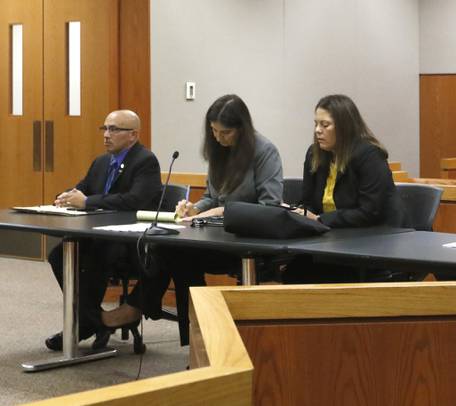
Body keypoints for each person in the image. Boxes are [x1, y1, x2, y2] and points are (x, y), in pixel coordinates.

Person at [101, 94, 283, 344]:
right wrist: (194, 208)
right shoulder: (218, 150)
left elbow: (270, 206)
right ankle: (195, 340)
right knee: (172, 250)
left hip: (248, 241)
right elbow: (211, 196)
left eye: (225, 133)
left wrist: (223, 211)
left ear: (242, 129)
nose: (218, 138)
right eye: (214, 131)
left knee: (178, 255)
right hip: (216, 236)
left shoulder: (265, 151)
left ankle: (139, 308)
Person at [45, 109, 162, 351]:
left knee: (95, 255)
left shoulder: (145, 161)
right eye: (105, 129)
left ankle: (85, 325)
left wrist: (87, 202)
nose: (107, 135)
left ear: (133, 135)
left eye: (114, 129)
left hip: (129, 242)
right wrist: (65, 197)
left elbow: (134, 201)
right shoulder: (101, 162)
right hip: (98, 235)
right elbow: (82, 188)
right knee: (59, 255)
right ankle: (93, 321)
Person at [281, 94, 401, 283]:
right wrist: (299, 213)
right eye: (316, 124)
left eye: (325, 125)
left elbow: (370, 212)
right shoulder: (315, 154)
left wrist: (320, 219)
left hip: (372, 240)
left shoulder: (369, 156)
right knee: (293, 272)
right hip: (332, 239)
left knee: (311, 274)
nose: (318, 131)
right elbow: (309, 202)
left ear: (344, 126)